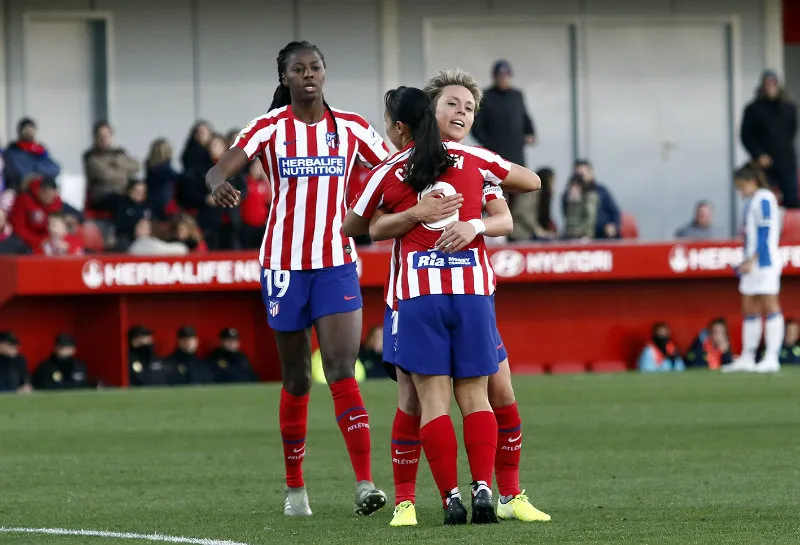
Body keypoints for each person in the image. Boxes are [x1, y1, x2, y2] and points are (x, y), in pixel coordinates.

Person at [355, 69, 550, 526]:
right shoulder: (402, 163)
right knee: (416, 399)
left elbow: (505, 217)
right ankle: (408, 500)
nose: (462, 112)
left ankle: (505, 493)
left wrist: (474, 224)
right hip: (411, 296)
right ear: (430, 110)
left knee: (498, 391)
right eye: (452, 104)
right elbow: (369, 227)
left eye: (469, 108)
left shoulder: (477, 163)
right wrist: (416, 213)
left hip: (465, 294)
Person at [205, 40, 390, 517]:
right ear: (284, 77)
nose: (308, 74)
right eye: (298, 69)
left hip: (335, 262)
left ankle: (365, 484)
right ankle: (295, 489)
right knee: (297, 378)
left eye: (315, 67)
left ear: (325, 73)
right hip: (284, 266)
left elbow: (394, 170)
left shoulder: (352, 127)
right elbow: (218, 169)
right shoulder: (268, 127)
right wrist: (219, 184)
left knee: (341, 368)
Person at [723, 164, 784, 373]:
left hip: (765, 263)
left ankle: (772, 357)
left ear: (752, 182)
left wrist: (753, 259)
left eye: (741, 186)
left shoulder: (765, 199)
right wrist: (746, 260)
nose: (740, 191)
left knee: (770, 305)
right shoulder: (753, 201)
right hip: (751, 262)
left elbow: (765, 232)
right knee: (749, 307)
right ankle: (748, 356)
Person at [740, 70, 799, 209]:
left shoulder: (789, 108)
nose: (770, 88)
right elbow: (746, 136)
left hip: (786, 163)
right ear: (762, 87)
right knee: (764, 201)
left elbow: (792, 131)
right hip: (764, 165)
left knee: (792, 201)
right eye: (767, 84)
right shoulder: (753, 109)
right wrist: (758, 154)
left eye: (773, 84)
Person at [472, 60, 535, 166]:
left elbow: (525, 117)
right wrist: (488, 143)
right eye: (500, 76)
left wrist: (530, 133)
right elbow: (476, 126)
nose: (503, 79)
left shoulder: (517, 95)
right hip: (494, 154)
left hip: (516, 152)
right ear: (494, 77)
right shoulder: (485, 96)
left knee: (520, 175)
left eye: (506, 76)